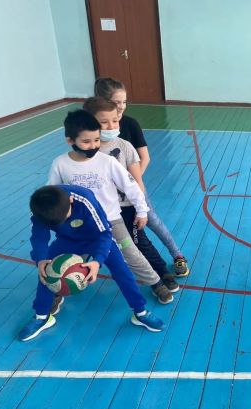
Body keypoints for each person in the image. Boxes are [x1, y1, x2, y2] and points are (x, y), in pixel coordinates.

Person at [47, 109, 174, 305]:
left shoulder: (108, 162)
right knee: (67, 259)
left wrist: (142, 210)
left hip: (112, 221)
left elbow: (131, 186)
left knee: (131, 254)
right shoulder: (60, 164)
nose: (93, 146)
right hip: (78, 225)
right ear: (70, 140)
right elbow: (52, 192)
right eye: (86, 141)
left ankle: (155, 282)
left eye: (97, 140)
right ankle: (57, 291)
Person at [19, 185, 165, 341]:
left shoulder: (84, 198)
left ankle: (140, 312)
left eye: (66, 216)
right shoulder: (40, 208)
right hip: (67, 241)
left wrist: (97, 261)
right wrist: (41, 259)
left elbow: (104, 233)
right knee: (46, 272)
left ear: (71, 199)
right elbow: (38, 237)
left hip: (97, 239)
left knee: (122, 272)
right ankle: (42, 317)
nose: (65, 221)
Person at [82, 97, 181, 299]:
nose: (111, 126)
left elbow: (137, 181)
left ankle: (161, 272)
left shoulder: (125, 146)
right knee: (84, 245)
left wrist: (140, 208)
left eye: (115, 120)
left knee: (139, 243)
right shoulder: (87, 151)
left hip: (127, 208)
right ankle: (66, 280)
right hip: (99, 211)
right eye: (104, 122)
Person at [94, 77, 190, 277]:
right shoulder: (93, 130)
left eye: (124, 101)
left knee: (152, 220)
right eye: (116, 102)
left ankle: (177, 255)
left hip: (134, 189)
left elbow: (144, 158)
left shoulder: (130, 124)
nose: (121, 106)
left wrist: (130, 183)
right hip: (108, 195)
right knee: (125, 231)